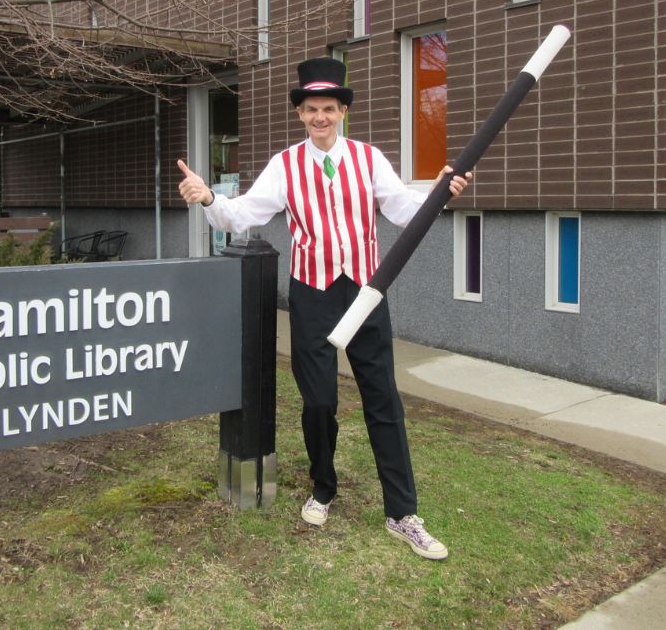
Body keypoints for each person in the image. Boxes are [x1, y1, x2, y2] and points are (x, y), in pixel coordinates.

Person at [177, 56, 471, 560]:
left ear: (342, 111)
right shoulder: (285, 165)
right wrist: (208, 198)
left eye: (329, 108)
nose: (320, 117)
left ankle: (403, 513)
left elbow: (402, 208)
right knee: (318, 402)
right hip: (312, 293)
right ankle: (323, 487)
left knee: (383, 400)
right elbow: (244, 213)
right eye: (311, 109)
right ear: (301, 113)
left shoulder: (369, 158)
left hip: (366, 292)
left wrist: (440, 192)